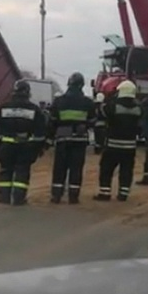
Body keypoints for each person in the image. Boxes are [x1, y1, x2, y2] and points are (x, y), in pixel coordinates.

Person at [0, 80, 47, 206]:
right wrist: (39, 149)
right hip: (25, 147)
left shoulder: (3, 108)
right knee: (22, 171)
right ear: (28, 92)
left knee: (5, 170)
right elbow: (40, 132)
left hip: (6, 146)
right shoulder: (34, 110)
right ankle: (19, 198)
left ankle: (4, 197)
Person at [47, 72, 95, 204]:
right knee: (76, 168)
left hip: (62, 139)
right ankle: (73, 196)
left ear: (69, 83)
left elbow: (52, 121)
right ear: (82, 85)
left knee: (59, 168)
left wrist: (49, 139)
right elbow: (92, 121)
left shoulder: (59, 101)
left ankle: (56, 195)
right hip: (80, 141)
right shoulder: (88, 103)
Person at [94, 80, 142, 202]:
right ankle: (123, 193)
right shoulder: (138, 108)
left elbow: (102, 111)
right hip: (130, 146)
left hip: (113, 144)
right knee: (126, 170)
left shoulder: (113, 105)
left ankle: (105, 193)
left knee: (106, 168)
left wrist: (108, 98)